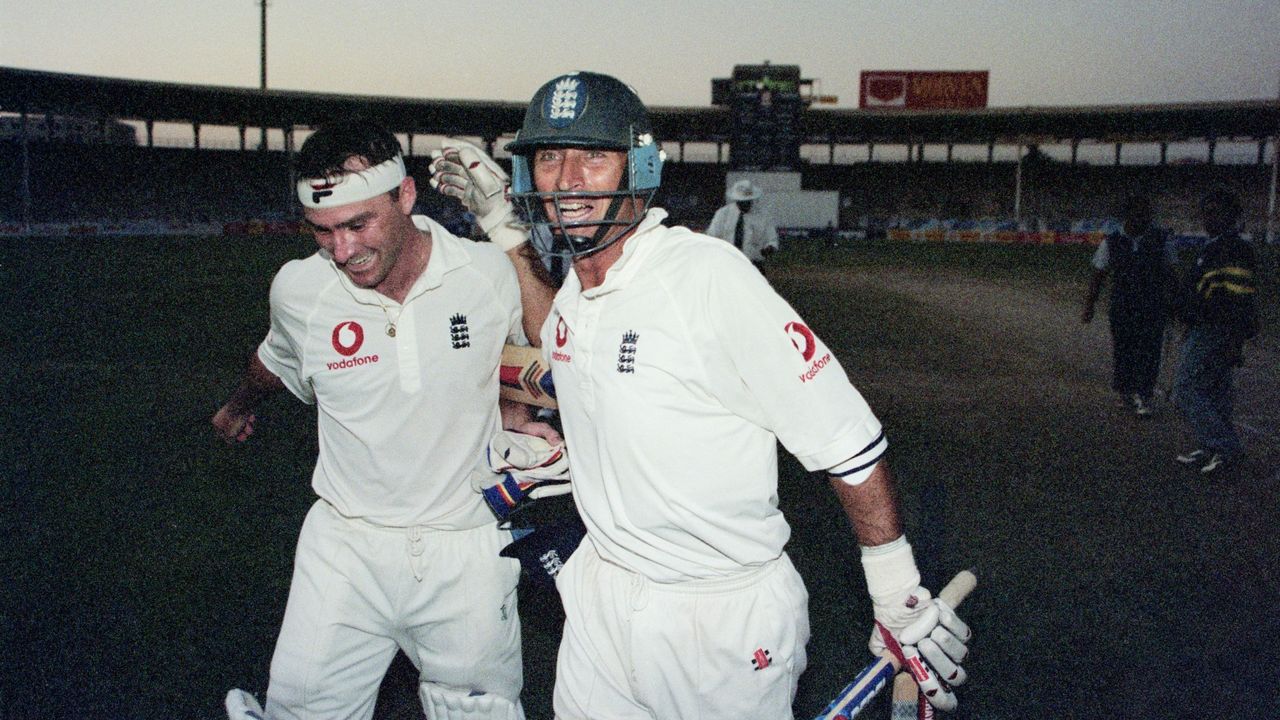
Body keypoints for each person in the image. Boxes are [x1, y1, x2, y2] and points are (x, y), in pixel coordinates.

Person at [430, 71, 971, 720]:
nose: (568, 177)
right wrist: (503, 230)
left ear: (640, 165)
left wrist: (896, 590)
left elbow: (845, 438)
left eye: (593, 156)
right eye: (550, 156)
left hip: (718, 617)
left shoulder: (707, 279)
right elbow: (564, 344)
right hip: (600, 597)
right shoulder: (580, 286)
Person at [213, 117, 550, 720]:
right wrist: (239, 405)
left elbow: (558, 345)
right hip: (345, 546)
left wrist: (508, 231)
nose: (343, 251)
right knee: (303, 712)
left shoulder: (483, 272)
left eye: (357, 224)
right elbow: (274, 360)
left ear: (405, 197)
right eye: (322, 232)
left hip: (465, 545)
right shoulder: (299, 291)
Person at [1171, 187, 1260, 476]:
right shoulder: (1215, 245)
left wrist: (1235, 341)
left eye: (1216, 212)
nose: (1208, 217)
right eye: (1205, 211)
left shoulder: (1232, 249)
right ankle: (1214, 449)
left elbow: (1238, 300)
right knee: (1215, 391)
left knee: (1185, 389)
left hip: (1217, 330)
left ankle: (1224, 448)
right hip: (1205, 327)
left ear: (1232, 216)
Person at [1080, 194, 1178, 416]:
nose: (1144, 217)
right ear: (1127, 214)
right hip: (1122, 306)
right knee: (1124, 349)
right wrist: (1089, 306)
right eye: (1138, 212)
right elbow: (1098, 275)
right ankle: (1125, 391)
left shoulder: (1162, 239)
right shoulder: (1111, 242)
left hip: (1153, 306)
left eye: (1146, 213)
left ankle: (1144, 395)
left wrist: (1175, 302)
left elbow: (1171, 274)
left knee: (1149, 350)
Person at [705, 178, 780, 272]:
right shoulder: (723, 214)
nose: (745, 204)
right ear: (736, 200)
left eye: (747, 201)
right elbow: (711, 237)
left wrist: (769, 248)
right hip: (726, 263)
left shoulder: (763, 216)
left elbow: (772, 240)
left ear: (752, 199)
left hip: (753, 264)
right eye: (741, 202)